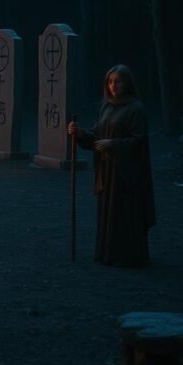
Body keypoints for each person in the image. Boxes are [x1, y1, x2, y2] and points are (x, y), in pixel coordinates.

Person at [68, 64, 157, 267]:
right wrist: (80, 133)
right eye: (110, 81)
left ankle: (128, 256)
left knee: (125, 211)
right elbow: (97, 134)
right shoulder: (106, 106)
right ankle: (108, 253)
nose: (113, 85)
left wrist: (113, 145)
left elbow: (139, 141)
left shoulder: (136, 109)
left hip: (127, 172)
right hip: (107, 170)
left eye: (118, 81)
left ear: (127, 83)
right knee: (108, 211)